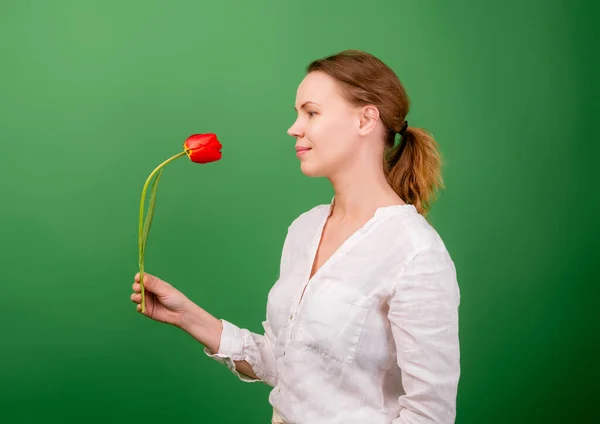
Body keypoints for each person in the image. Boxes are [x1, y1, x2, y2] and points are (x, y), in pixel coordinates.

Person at [131, 49, 460, 424]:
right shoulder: (306, 228)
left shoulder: (415, 252)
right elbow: (286, 364)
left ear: (366, 119)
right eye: (297, 113)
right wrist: (187, 316)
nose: (294, 127)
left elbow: (429, 415)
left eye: (311, 112)